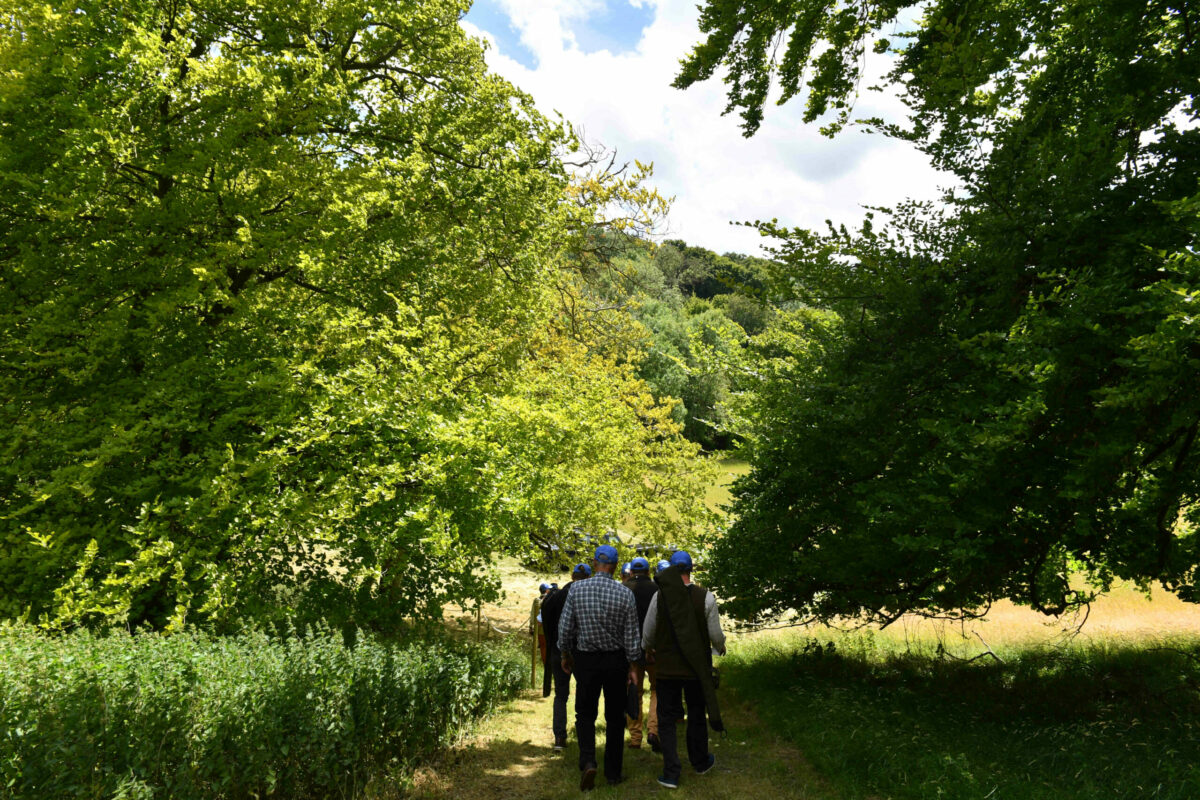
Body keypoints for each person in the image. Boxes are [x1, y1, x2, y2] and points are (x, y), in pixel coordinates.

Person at [558, 544, 644, 791]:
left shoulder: (577, 589)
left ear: (595, 563)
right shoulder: (625, 593)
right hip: (616, 661)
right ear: (616, 567)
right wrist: (633, 665)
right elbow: (631, 636)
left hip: (586, 660)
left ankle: (588, 761)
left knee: (585, 713)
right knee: (615, 716)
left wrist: (565, 653)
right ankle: (613, 772)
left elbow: (566, 629)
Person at [642, 550, 726, 790]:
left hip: (667, 668)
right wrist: (721, 647)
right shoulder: (706, 598)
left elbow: (648, 633)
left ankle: (671, 773)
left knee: (666, 719)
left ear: (671, 569)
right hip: (696, 668)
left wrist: (646, 649)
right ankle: (700, 762)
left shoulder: (660, 597)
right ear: (691, 569)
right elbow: (715, 635)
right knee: (697, 714)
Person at [541, 564, 590, 751]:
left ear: (572, 576)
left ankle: (559, 737)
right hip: (580, 650)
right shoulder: (586, 596)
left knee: (561, 695)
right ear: (587, 577)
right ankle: (582, 732)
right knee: (583, 691)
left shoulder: (556, 596)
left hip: (556, 649)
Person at [623, 556, 660, 750]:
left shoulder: (623, 589)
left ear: (631, 572)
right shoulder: (657, 590)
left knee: (634, 692)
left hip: (632, 651)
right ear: (648, 572)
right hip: (654, 650)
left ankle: (635, 738)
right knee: (656, 690)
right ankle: (653, 729)